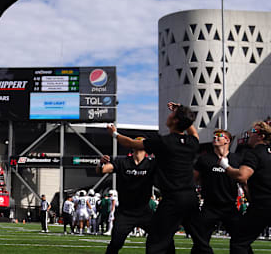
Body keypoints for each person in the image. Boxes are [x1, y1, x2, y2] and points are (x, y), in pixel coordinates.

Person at [108, 101, 199, 254]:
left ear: (175, 121)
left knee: (156, 243)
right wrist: (181, 112)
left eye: (172, 114)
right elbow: (194, 133)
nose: (169, 115)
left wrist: (114, 134)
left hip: (173, 199)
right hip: (191, 198)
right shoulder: (192, 142)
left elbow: (130, 142)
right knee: (200, 240)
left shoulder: (163, 142)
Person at [220, 121, 271, 254]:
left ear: (261, 136)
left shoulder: (254, 153)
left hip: (264, 204)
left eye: (253, 132)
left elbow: (242, 176)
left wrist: (226, 166)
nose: (249, 134)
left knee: (239, 242)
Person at [191, 129, 252, 254]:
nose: (215, 137)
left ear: (227, 140)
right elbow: (193, 180)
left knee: (241, 240)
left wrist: (251, 200)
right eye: (214, 136)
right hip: (209, 207)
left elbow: (244, 182)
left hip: (230, 207)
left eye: (219, 136)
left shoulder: (236, 159)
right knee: (200, 241)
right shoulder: (205, 159)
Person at [97, 135, 156, 254]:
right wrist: (101, 163)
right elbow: (102, 170)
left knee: (163, 238)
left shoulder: (151, 164)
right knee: (116, 243)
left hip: (144, 211)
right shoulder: (122, 162)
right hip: (125, 212)